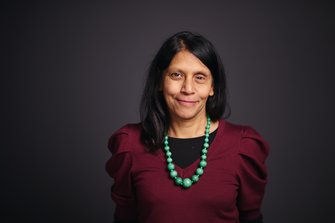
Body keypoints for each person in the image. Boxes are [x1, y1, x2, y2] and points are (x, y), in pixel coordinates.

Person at [106, 31, 269, 223]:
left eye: (200, 77)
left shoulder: (244, 146)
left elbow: (252, 219)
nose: (188, 88)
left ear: (212, 87)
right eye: (176, 75)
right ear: (160, 81)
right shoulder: (129, 144)